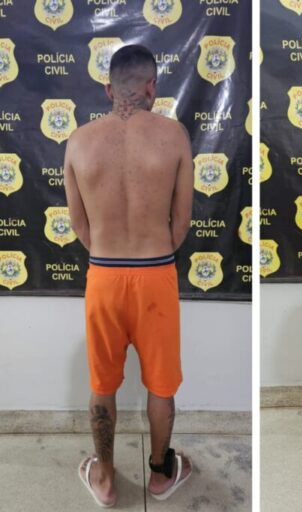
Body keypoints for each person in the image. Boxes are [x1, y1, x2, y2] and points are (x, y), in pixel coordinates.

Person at [64, 44, 194, 507]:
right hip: (156, 274)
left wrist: (109, 254)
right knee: (161, 385)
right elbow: (182, 223)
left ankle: (104, 479)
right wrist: (152, 253)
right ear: (151, 87)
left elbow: (79, 224)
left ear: (108, 89)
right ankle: (160, 475)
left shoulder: (79, 141)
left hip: (104, 275)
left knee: (102, 384)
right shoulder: (174, 136)